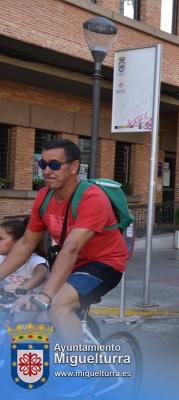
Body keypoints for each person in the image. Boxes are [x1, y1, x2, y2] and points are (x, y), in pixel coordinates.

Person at [0, 139, 127, 344]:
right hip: (71, 264)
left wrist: (46, 296)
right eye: (43, 164)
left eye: (55, 165)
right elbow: (25, 244)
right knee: (29, 312)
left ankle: (77, 369)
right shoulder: (44, 197)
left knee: (58, 305)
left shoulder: (92, 198)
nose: (47, 171)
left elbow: (71, 247)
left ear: (74, 166)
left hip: (104, 264)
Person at [0, 220, 47, 293]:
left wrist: (22, 288)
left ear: (19, 242)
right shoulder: (1, 258)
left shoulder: (34, 259)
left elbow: (42, 275)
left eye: (0, 239)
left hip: (32, 302)